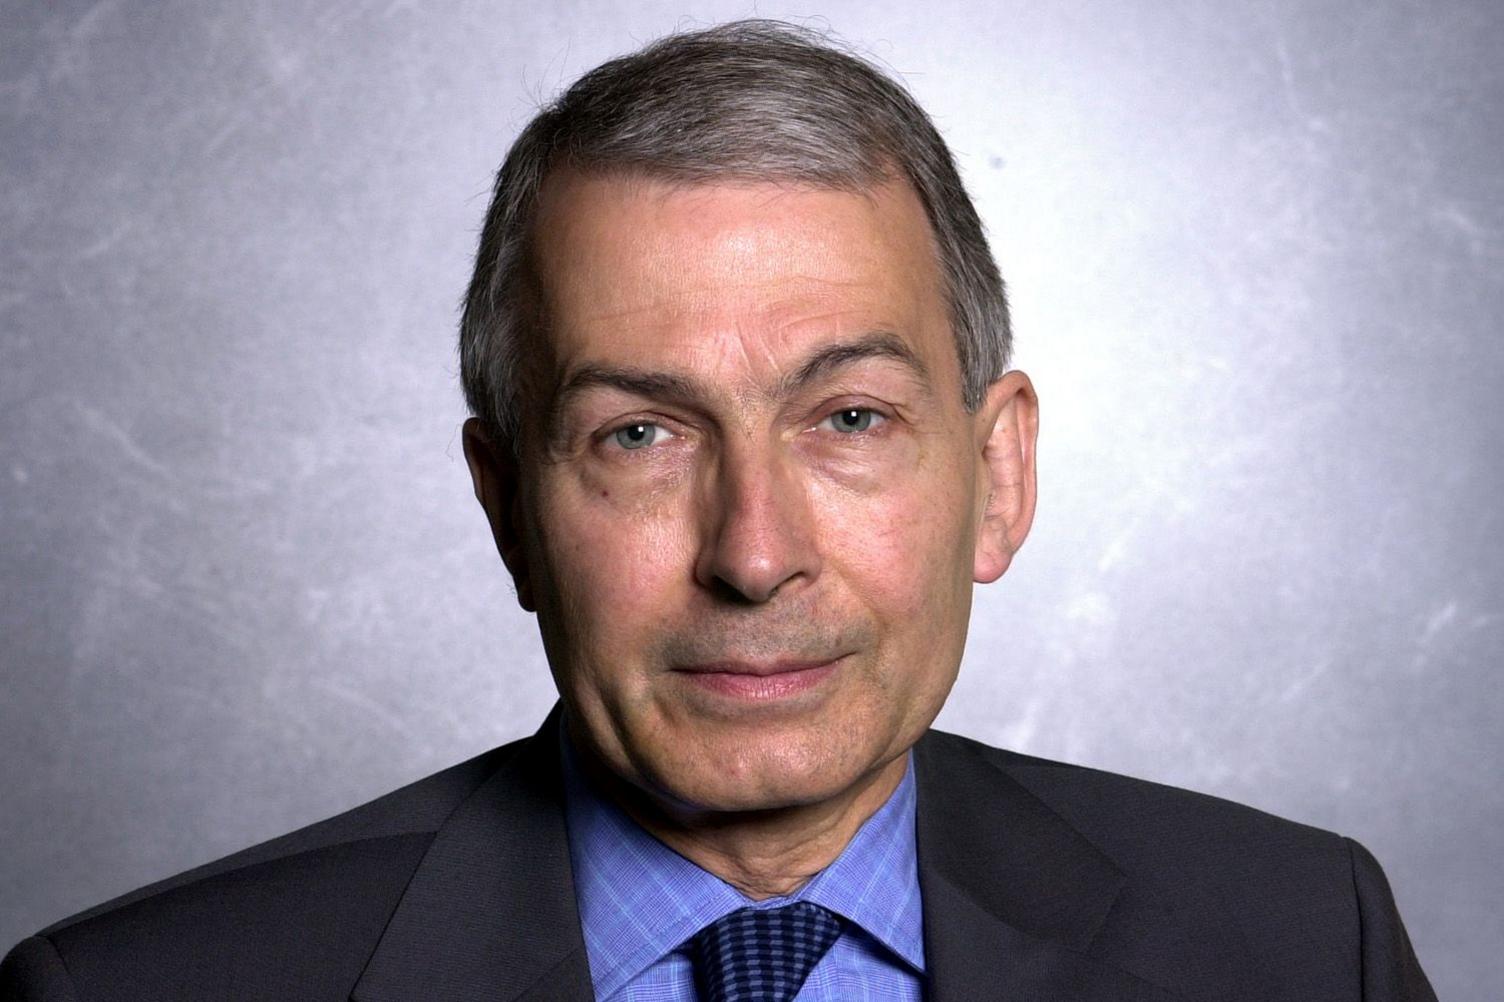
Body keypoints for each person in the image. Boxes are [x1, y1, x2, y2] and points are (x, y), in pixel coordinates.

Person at [1, 19, 1435, 1002]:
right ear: (509, 510)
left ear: (998, 477)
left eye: (850, 418)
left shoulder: (1305, 942)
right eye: (639, 433)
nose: (753, 552)